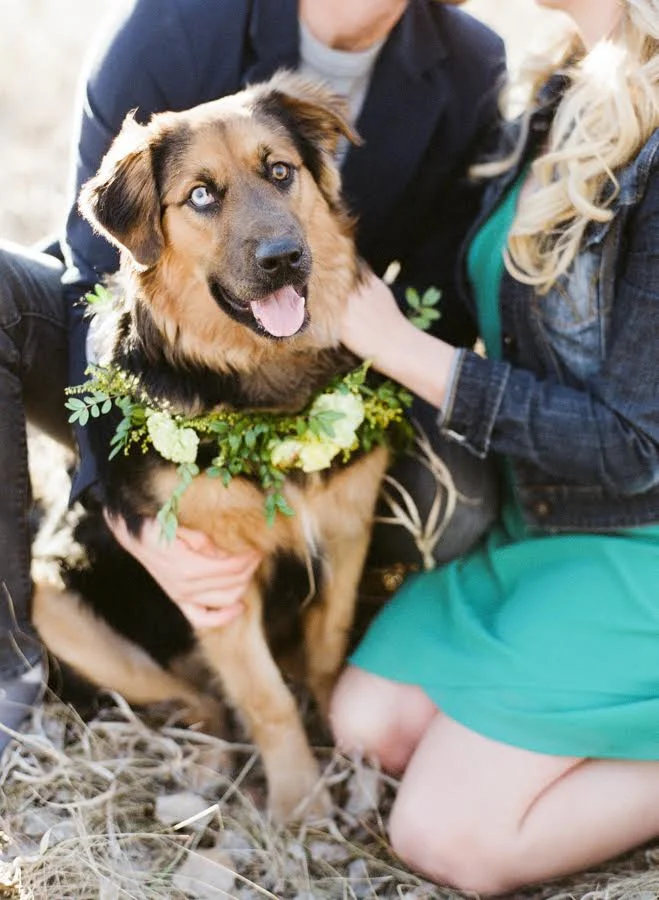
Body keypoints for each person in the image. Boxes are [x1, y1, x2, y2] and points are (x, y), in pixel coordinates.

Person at [0, 0, 505, 750]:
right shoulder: (173, 24)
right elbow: (91, 274)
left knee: (461, 502)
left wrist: (366, 367)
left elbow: (441, 280)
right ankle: (13, 664)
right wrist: (130, 505)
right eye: (207, 192)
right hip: (124, 338)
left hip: (337, 346)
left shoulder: (471, 61)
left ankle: (331, 641)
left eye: (278, 173)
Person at [327, 0, 659, 893]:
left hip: (642, 540)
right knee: (365, 729)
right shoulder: (558, 83)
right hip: (546, 519)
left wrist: (402, 349)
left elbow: (636, 448)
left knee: (446, 839)